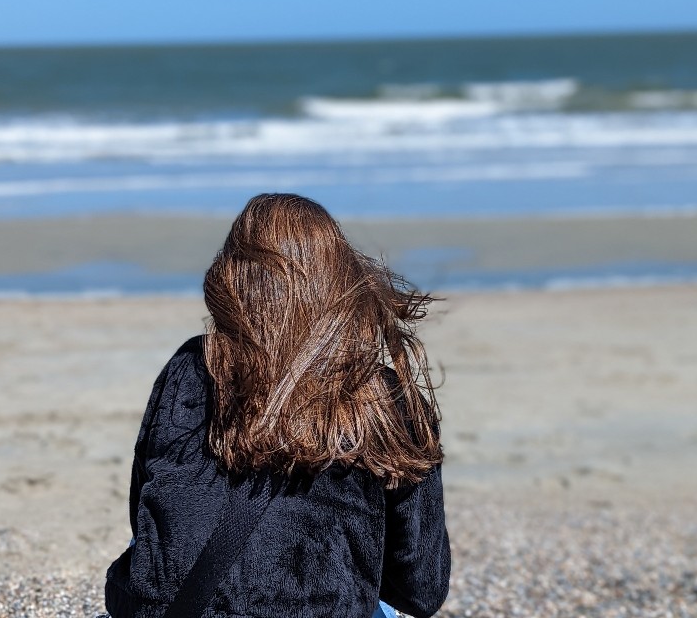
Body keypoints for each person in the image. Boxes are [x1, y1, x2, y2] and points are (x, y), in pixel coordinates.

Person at [104, 193, 450, 618]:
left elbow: (146, 514)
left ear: (232, 278)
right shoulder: (383, 398)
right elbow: (422, 590)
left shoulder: (193, 366)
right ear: (342, 278)